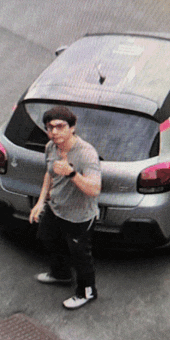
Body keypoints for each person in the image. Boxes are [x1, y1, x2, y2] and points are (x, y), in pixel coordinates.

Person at [29, 105, 101, 310]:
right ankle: (61, 274)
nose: (54, 132)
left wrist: (71, 174)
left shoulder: (86, 154)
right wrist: (41, 201)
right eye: (50, 128)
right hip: (55, 208)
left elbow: (95, 189)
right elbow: (49, 173)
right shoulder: (51, 147)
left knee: (80, 255)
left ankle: (87, 292)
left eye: (60, 127)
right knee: (46, 237)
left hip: (78, 217)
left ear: (72, 127)